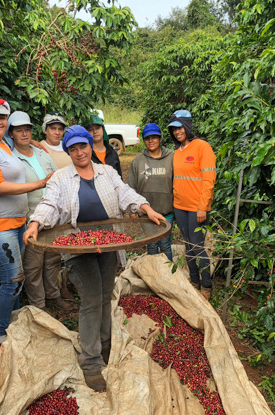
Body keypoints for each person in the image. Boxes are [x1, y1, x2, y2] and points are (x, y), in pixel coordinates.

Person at [23, 125, 165, 391]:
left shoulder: (106, 172)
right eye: (73, 149)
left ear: (90, 146)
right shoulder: (61, 178)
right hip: (79, 247)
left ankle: (105, 346)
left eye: (83, 146)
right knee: (90, 299)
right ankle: (90, 362)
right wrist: (35, 223)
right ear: (68, 151)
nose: (79, 152)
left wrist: (146, 208)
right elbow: (50, 204)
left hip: (108, 243)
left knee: (104, 295)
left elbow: (125, 194)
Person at [0, 97, 52, 347]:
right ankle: (0, 333)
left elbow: (21, 141)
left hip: (17, 223)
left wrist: (37, 143)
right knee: (13, 280)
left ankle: (13, 322)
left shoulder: (2, 143)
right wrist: (40, 183)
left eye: (2, 117)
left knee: (18, 278)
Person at [5, 111, 70, 312]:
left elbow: (56, 178)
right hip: (29, 216)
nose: (24, 134)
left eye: (27, 130)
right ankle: (39, 305)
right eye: (19, 130)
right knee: (33, 265)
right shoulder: (10, 157)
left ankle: (53, 295)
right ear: (12, 134)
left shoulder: (42, 153)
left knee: (52, 259)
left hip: (52, 215)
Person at [168, 110, 217, 300]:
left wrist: (202, 206)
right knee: (188, 246)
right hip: (180, 207)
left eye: (180, 127)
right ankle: (193, 280)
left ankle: (206, 285)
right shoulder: (177, 152)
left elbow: (208, 179)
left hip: (197, 209)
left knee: (197, 246)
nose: (177, 132)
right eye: (173, 129)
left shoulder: (202, 147)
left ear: (188, 126)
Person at [127, 123, 174, 261]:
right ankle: (154, 277)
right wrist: (133, 210)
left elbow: (177, 183)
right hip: (146, 213)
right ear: (144, 140)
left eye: (154, 137)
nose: (151, 141)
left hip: (167, 211)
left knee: (165, 245)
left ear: (160, 138)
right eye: (147, 138)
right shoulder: (138, 161)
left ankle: (168, 277)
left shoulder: (171, 158)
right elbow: (131, 186)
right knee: (151, 245)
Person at [85, 113, 122, 178]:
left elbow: (119, 177)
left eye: (97, 128)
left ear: (103, 129)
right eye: (91, 129)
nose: (95, 131)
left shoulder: (112, 153)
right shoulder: (86, 154)